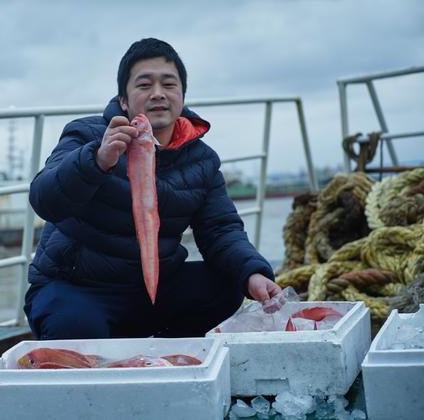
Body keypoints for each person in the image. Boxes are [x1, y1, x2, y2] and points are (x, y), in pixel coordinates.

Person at [24, 38, 281, 340]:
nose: (158, 94)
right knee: (75, 328)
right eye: (144, 85)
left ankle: (160, 354)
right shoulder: (86, 135)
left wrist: (253, 272)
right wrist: (96, 160)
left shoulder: (202, 159)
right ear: (124, 99)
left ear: (182, 96)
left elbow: (221, 229)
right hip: (78, 287)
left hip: (152, 289)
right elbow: (45, 200)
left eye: (169, 85)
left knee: (227, 285)